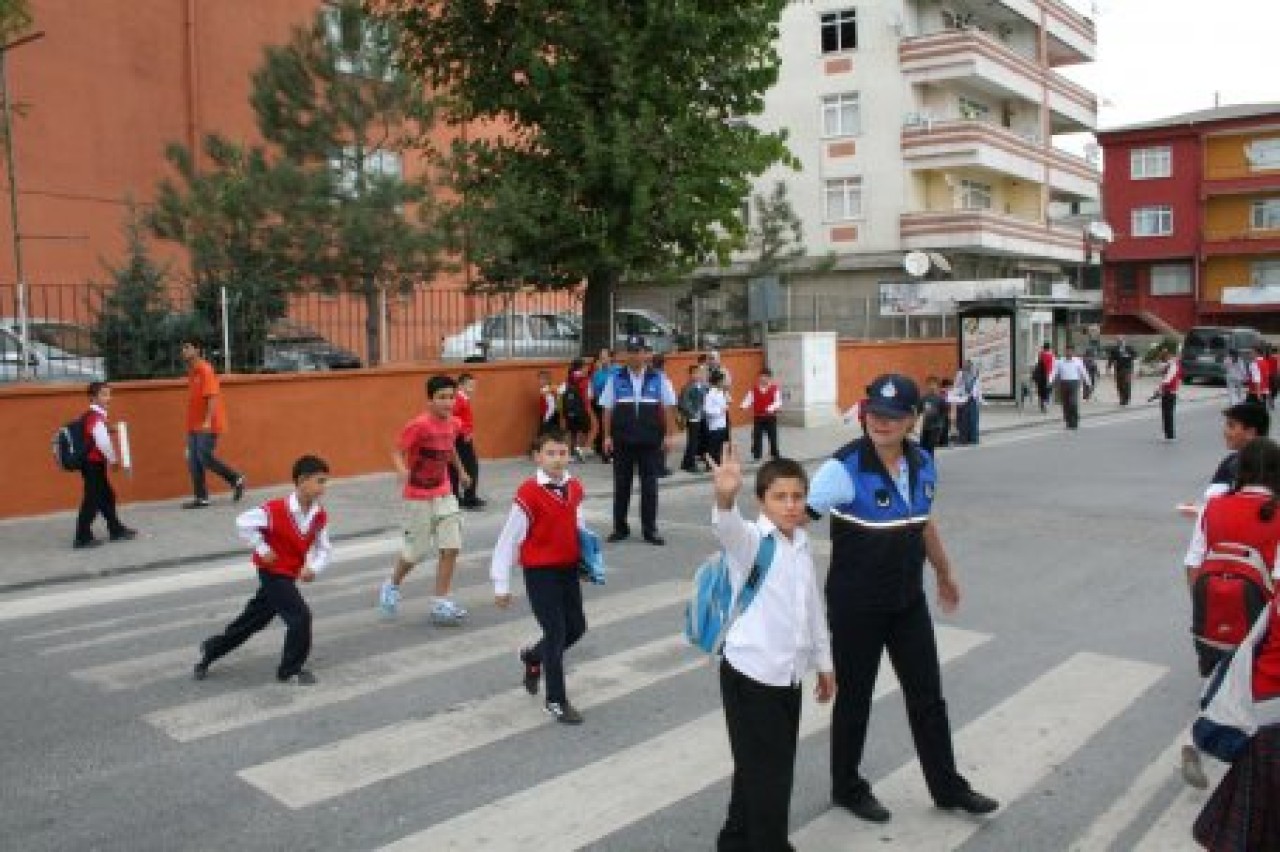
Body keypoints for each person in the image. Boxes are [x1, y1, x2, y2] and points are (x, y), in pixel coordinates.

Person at [807, 373, 998, 824]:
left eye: (893, 416)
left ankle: (947, 786)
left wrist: (945, 573)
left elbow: (924, 523)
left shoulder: (923, 462)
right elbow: (790, 524)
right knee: (855, 697)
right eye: (874, 413)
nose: (881, 422)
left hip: (906, 600)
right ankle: (847, 787)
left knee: (928, 696)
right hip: (857, 605)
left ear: (912, 419)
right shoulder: (843, 468)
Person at [707, 443, 836, 850]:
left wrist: (824, 662)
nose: (791, 505)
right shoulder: (750, 542)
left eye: (798, 496)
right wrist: (724, 496)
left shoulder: (799, 544)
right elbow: (726, 527)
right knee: (772, 777)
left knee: (755, 767)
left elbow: (812, 606)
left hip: (787, 678)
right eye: (780, 497)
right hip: (751, 675)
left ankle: (735, 838)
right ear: (761, 501)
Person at [1180, 437, 1280, 787]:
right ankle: (1212, 748)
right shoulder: (1277, 511)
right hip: (1257, 621)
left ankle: (1198, 743)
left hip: (1210, 615)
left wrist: (1206, 607)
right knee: (1244, 692)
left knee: (1218, 682)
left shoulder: (1215, 505)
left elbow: (1193, 563)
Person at [193, 454, 332, 685]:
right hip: (272, 572)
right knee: (300, 617)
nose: (324, 487)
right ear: (301, 481)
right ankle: (289, 671)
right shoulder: (274, 509)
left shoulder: (319, 515)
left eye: (325, 481)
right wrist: (261, 546)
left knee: (253, 620)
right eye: (320, 481)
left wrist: (314, 568)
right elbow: (242, 522)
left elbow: (324, 549)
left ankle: (212, 649)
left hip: (289, 574)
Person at [491, 428, 593, 724]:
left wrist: (587, 559)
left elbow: (578, 524)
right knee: (556, 632)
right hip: (540, 572)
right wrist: (501, 583)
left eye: (562, 453)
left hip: (568, 568)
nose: (558, 459)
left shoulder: (574, 487)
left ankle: (532, 657)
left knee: (576, 627)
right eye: (551, 453)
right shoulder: (528, 493)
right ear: (538, 457)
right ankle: (556, 700)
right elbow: (508, 540)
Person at [379, 375, 472, 624]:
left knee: (451, 546)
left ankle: (440, 602)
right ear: (430, 400)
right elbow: (398, 450)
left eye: (451, 397)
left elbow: (450, 447)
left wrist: (461, 472)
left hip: (444, 492)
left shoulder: (455, 423)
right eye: (441, 397)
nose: (447, 402)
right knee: (416, 552)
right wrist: (401, 469)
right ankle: (392, 584)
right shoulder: (419, 425)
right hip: (417, 497)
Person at [598, 336, 679, 546]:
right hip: (623, 441)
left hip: (650, 442)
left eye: (639, 351)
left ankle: (650, 530)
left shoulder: (659, 378)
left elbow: (670, 407)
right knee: (621, 486)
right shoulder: (615, 378)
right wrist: (606, 436)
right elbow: (607, 408)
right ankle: (620, 528)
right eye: (631, 351)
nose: (634, 355)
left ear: (647, 354)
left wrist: (670, 436)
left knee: (649, 488)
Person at [180, 337, 245, 509]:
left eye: (187, 347)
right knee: (193, 461)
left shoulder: (205, 370)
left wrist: (207, 420)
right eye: (183, 348)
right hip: (194, 424)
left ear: (197, 350)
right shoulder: (193, 371)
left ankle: (235, 478)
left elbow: (212, 396)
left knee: (204, 458)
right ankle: (201, 498)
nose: (184, 351)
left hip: (207, 424)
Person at [72, 381, 137, 549]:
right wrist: (113, 460)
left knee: (106, 496)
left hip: (92, 464)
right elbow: (101, 441)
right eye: (104, 394)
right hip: (93, 464)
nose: (108, 398)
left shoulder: (93, 415)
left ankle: (115, 529)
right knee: (92, 500)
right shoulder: (95, 416)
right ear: (93, 398)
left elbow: (96, 433)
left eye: (109, 394)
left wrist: (110, 428)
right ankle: (82, 537)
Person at [450, 373, 485, 510]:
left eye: (474, 385)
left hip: (461, 437)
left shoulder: (462, 398)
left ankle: (459, 497)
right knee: (470, 466)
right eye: (470, 385)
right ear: (461, 385)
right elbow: (452, 417)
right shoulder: (458, 399)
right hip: (461, 438)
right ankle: (468, 497)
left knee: (458, 467)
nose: (473, 388)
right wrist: (464, 432)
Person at [740, 367, 782, 462]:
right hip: (758, 417)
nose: (762, 379)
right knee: (757, 436)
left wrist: (771, 408)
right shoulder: (754, 389)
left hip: (770, 417)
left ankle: (774, 454)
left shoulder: (774, 388)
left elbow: (778, 401)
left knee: (772, 436)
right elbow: (748, 399)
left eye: (765, 377)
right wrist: (743, 405)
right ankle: (757, 455)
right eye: (761, 377)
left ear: (769, 378)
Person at [1050, 344, 1092, 430]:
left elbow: (1083, 372)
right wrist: (1050, 380)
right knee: (1065, 403)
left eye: (1070, 351)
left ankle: (1074, 421)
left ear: (1073, 352)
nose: (1068, 352)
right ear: (1065, 351)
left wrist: (1088, 382)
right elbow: (1054, 371)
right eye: (1067, 351)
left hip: (1074, 383)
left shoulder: (1077, 361)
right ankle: (1068, 421)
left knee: (1073, 402)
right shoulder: (1060, 361)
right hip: (1063, 383)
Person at [559, 358, 593, 463]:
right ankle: (579, 451)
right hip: (582, 408)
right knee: (583, 430)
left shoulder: (569, 378)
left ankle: (569, 454)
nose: (586, 368)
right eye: (585, 366)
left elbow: (561, 392)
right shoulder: (585, 379)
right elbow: (590, 396)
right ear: (582, 367)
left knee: (571, 431)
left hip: (569, 409)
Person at [678, 363, 709, 474]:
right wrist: (693, 413)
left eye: (699, 373)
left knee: (702, 440)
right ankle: (689, 464)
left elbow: (707, 399)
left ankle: (688, 462)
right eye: (695, 373)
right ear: (690, 375)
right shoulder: (687, 387)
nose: (698, 375)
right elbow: (683, 403)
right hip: (693, 418)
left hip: (703, 417)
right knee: (693, 442)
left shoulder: (704, 386)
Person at [702, 368, 731, 466]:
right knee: (713, 446)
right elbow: (707, 410)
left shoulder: (721, 392)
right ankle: (710, 464)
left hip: (722, 423)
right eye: (723, 380)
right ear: (718, 381)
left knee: (721, 446)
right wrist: (720, 411)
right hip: (714, 425)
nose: (724, 382)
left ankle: (720, 462)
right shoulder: (710, 394)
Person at [589, 349, 614, 462]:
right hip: (602, 404)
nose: (602, 359)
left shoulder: (617, 370)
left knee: (614, 428)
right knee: (605, 428)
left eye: (604, 357)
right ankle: (606, 453)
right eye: (601, 357)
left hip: (615, 404)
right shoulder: (597, 374)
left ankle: (613, 451)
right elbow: (595, 390)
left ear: (610, 358)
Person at [1152, 347, 1181, 440]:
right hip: (1166, 391)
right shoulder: (1169, 365)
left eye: (1167, 355)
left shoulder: (1174, 366)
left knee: (1168, 414)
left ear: (1171, 356)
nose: (1166, 358)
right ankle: (1167, 434)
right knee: (1165, 413)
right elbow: (1159, 368)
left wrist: (1158, 389)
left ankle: (1170, 435)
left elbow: (1167, 379)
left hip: (1170, 392)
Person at [952, 360, 983, 445]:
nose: (967, 367)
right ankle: (963, 439)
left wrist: (979, 400)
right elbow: (956, 386)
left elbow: (978, 388)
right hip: (963, 399)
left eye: (969, 365)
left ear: (971, 366)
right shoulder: (960, 375)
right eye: (965, 365)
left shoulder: (975, 375)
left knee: (973, 420)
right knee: (963, 420)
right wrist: (956, 398)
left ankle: (973, 439)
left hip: (972, 399)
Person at [919, 376, 948, 455]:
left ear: (937, 386)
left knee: (930, 447)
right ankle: (924, 464)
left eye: (934, 384)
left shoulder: (940, 399)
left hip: (935, 427)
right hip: (924, 427)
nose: (931, 386)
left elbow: (944, 412)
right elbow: (919, 412)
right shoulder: (923, 399)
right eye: (930, 384)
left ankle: (930, 464)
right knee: (922, 448)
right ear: (927, 386)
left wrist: (940, 424)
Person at [1108, 338, 1137, 406]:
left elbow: (1135, 355)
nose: (1120, 342)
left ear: (1124, 341)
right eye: (1119, 341)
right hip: (1118, 369)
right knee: (1119, 385)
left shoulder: (1129, 348)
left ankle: (1126, 398)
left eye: (1121, 341)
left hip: (1127, 369)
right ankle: (1121, 398)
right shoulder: (1115, 349)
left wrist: (1128, 356)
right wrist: (1109, 367)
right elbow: (1111, 358)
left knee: (1126, 384)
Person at [536, 370, 558, 440]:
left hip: (548, 415)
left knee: (544, 436)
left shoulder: (545, 390)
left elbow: (552, 405)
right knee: (549, 435)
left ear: (547, 380)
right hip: (549, 415)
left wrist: (546, 418)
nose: (539, 381)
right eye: (539, 379)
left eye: (541, 379)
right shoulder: (548, 388)